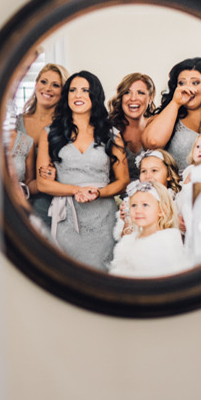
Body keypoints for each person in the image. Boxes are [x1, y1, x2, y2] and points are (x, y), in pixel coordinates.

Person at [36, 70, 128, 271]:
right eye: (72, 90)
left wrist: (98, 193)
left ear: (95, 95)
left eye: (85, 90)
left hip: (103, 218)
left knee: (103, 274)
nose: (78, 95)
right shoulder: (50, 133)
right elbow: (42, 183)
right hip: (67, 218)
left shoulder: (112, 134)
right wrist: (76, 190)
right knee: (68, 275)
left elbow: (123, 181)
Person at [142, 57, 201, 175]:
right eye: (181, 83)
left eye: (195, 83)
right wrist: (175, 103)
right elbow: (152, 143)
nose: (187, 88)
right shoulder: (164, 117)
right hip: (180, 185)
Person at [13, 63, 68, 224]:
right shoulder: (15, 122)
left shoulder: (66, 127)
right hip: (17, 203)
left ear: (63, 91)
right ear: (36, 83)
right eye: (44, 82)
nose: (48, 88)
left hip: (53, 205)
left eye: (55, 85)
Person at [108, 180, 188, 278]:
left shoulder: (167, 241)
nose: (138, 210)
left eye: (145, 205)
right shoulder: (128, 240)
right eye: (133, 205)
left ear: (161, 210)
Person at [115, 149, 180, 239]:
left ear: (169, 175)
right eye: (143, 171)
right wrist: (128, 220)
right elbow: (125, 240)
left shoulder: (177, 201)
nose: (148, 176)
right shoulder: (132, 201)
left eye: (154, 170)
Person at [107, 72, 156, 181]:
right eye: (127, 92)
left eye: (140, 93)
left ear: (150, 98)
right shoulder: (108, 129)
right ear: (121, 97)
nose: (133, 98)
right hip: (115, 190)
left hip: (151, 189)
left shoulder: (156, 126)